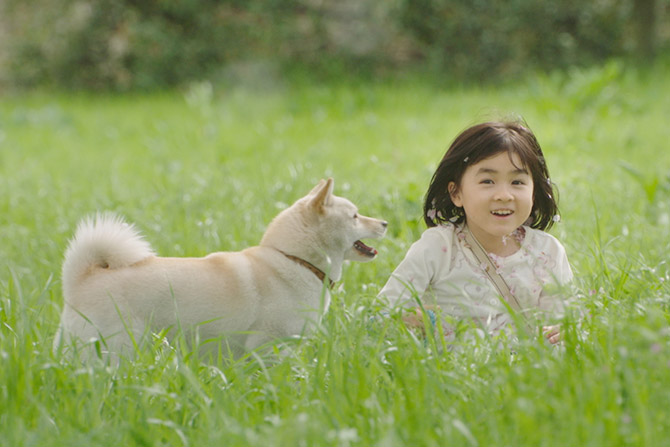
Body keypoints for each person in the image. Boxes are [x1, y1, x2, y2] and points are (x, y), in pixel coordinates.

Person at [379, 120, 573, 345]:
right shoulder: (438, 248)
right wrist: (424, 321)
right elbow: (384, 311)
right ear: (456, 193)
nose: (504, 195)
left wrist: (564, 333)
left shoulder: (547, 252)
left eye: (517, 182)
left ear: (534, 191)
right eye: (487, 181)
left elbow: (563, 323)